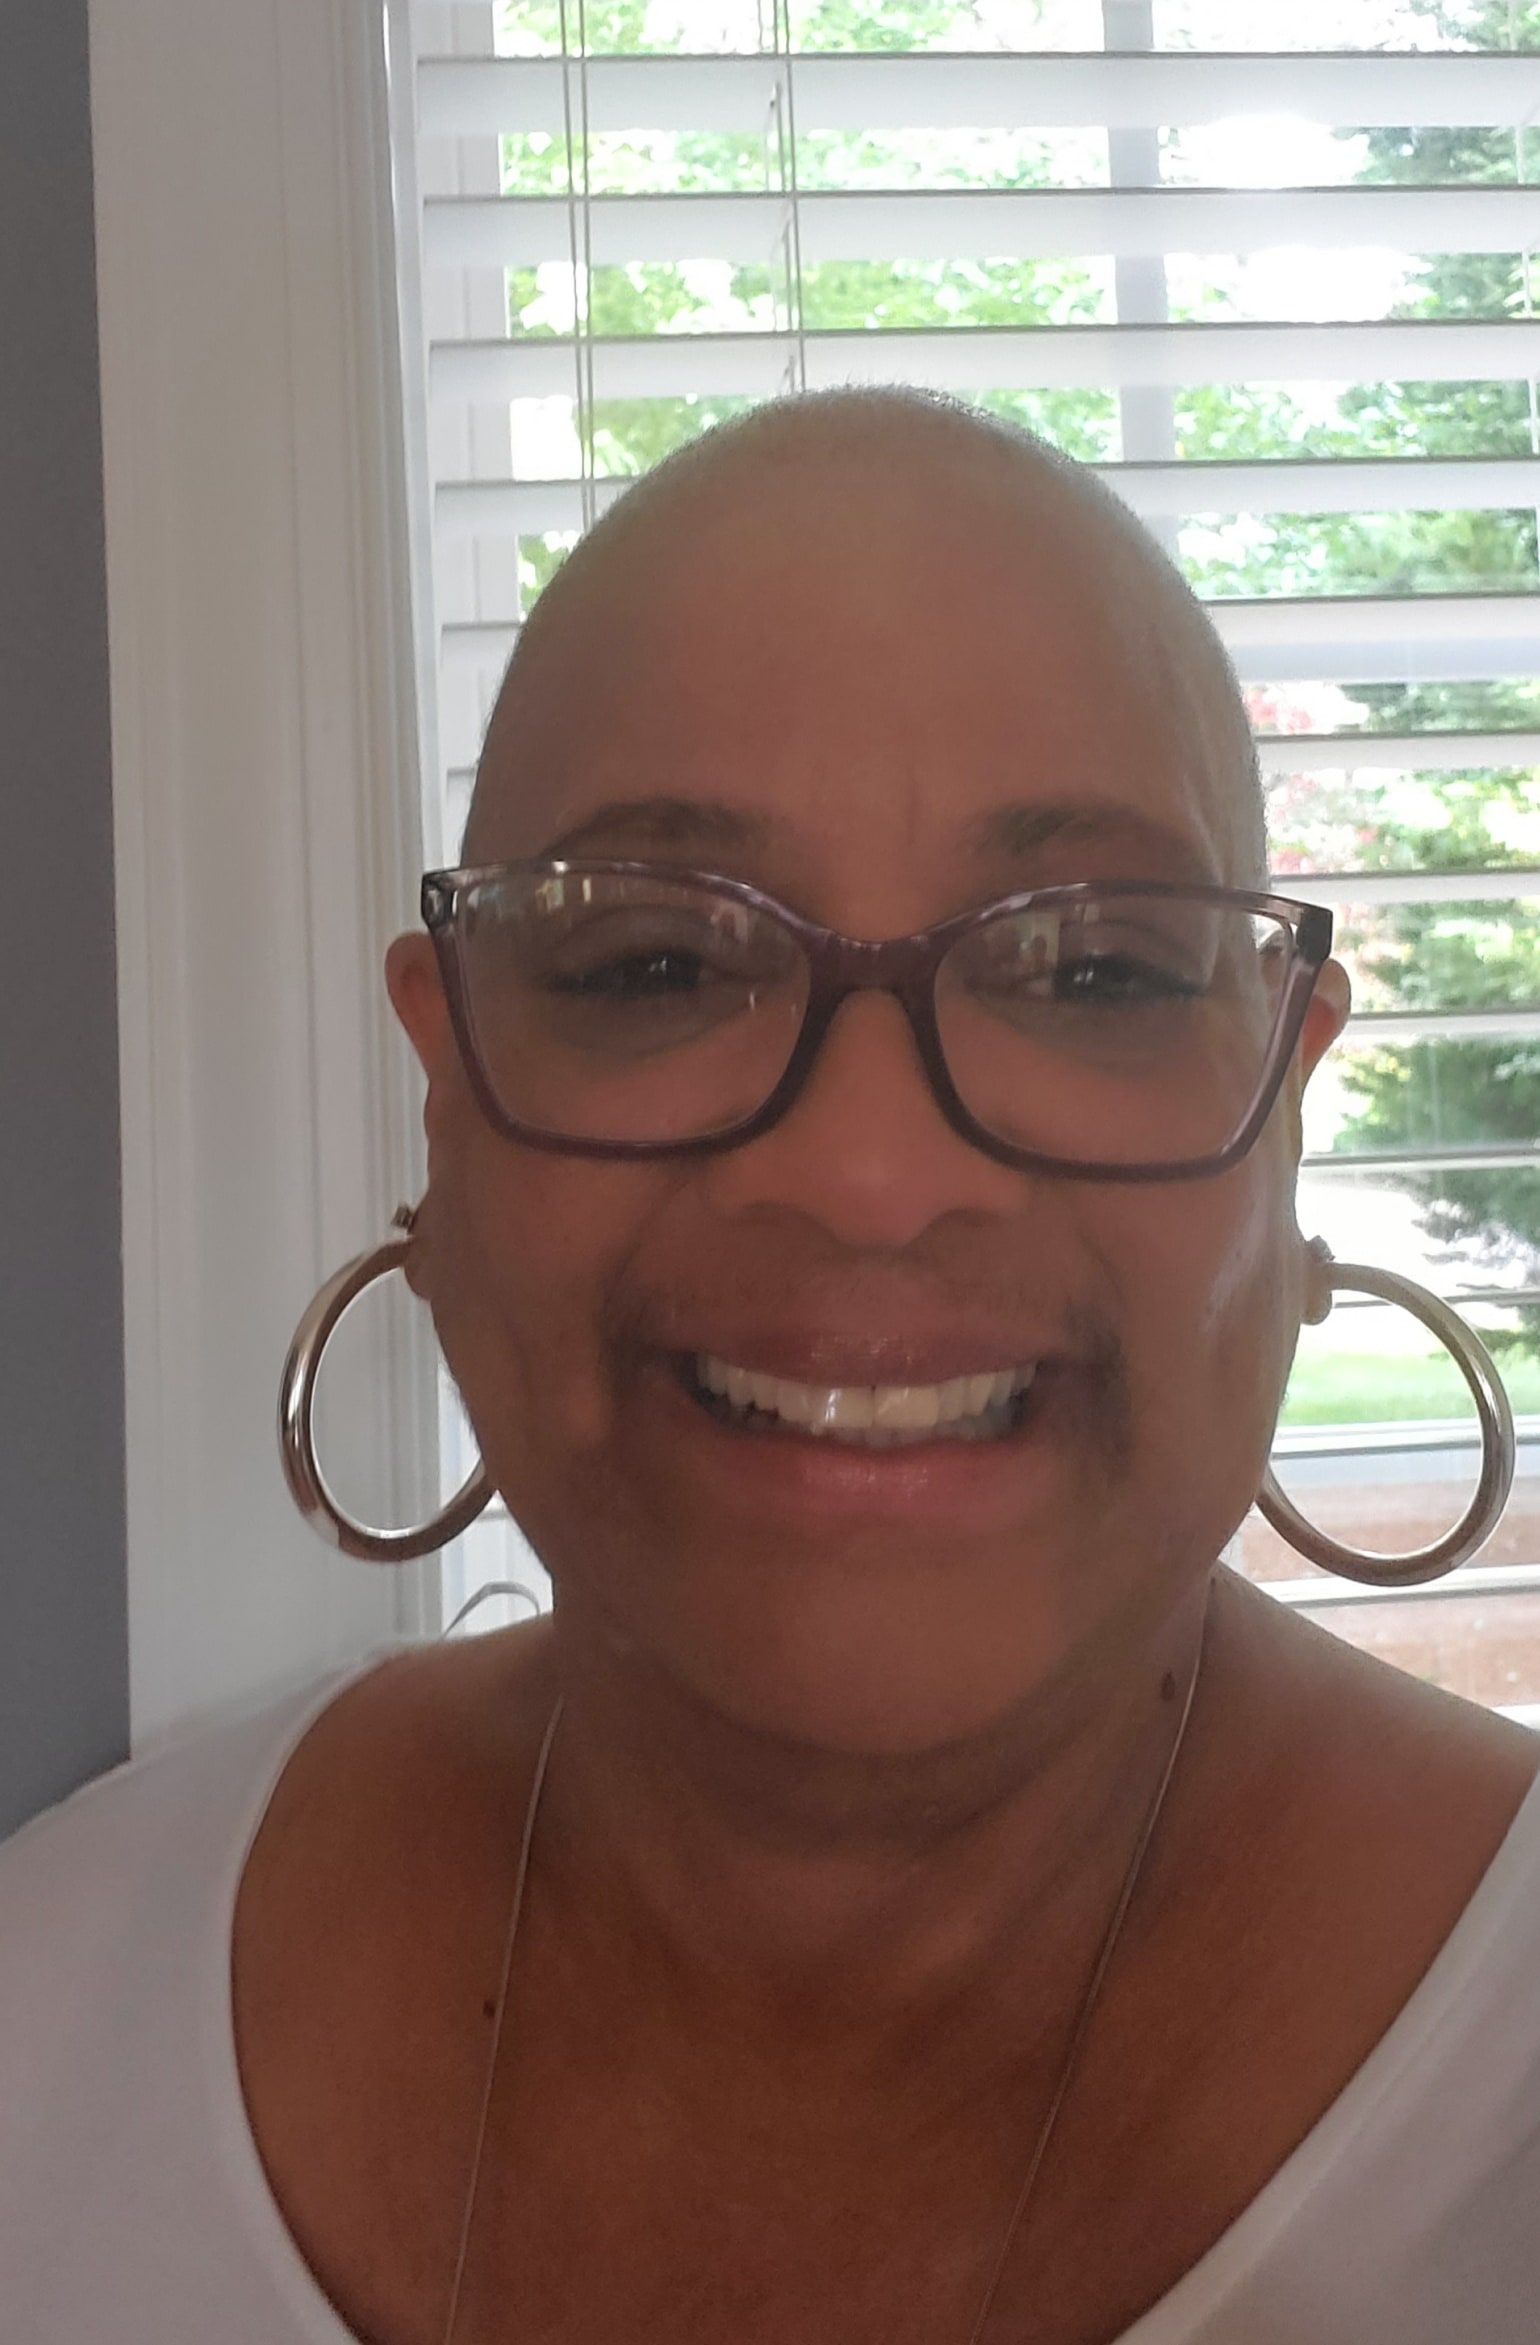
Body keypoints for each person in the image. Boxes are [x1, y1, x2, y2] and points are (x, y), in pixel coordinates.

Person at [2, 387, 1538, 2345]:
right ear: (447, 1092)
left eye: (1095, 969)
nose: (869, 1178)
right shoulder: (46, 2022)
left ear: (1284, 1104)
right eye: (655, 963)